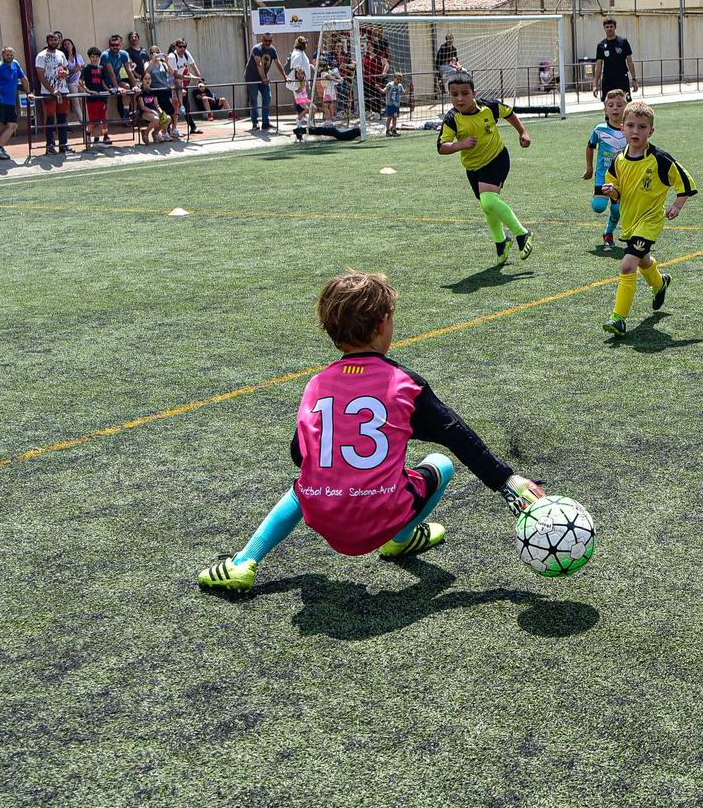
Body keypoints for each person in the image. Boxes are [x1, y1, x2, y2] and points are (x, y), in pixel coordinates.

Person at [195, 271, 548, 595]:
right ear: (383, 323)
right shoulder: (403, 384)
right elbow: (456, 434)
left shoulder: (316, 385)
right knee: (440, 463)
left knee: (306, 482)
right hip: (379, 519)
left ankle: (243, 563)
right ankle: (401, 538)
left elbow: (299, 456)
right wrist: (507, 482)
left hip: (323, 517)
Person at [600, 98, 695, 337]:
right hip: (630, 219)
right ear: (622, 128)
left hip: (651, 220)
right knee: (642, 261)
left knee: (627, 264)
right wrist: (613, 191)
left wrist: (677, 205)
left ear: (651, 131)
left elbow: (684, 182)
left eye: (642, 127)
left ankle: (618, 318)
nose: (635, 131)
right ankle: (659, 282)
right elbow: (617, 188)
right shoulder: (619, 160)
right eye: (630, 125)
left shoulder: (660, 159)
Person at [437, 67, 533, 263]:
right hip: (473, 167)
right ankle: (501, 242)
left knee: (489, 201)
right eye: (454, 95)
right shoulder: (452, 119)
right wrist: (459, 145)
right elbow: (441, 146)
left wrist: (523, 132)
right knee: (487, 207)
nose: (460, 99)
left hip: (497, 158)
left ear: (474, 93)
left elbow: (509, 113)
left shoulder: (490, 107)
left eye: (465, 93)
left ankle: (522, 234)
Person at [583, 87, 629, 248]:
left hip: (622, 178)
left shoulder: (630, 130)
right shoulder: (599, 129)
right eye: (611, 105)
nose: (615, 108)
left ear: (626, 107)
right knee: (598, 207)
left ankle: (608, 233)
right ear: (605, 109)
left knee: (617, 211)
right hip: (603, 176)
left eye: (619, 104)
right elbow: (590, 147)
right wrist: (589, 169)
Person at [0, 46, 27, 159]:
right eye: (7, 54)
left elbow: (24, 79)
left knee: (13, 125)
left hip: (10, 101)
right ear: (3, 55)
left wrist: (28, 93)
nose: (10, 56)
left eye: (11, 54)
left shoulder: (16, 64)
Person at [78, 48, 112, 149]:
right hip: (92, 98)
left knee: (102, 119)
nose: (94, 59)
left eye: (96, 57)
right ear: (89, 57)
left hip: (102, 97)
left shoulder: (101, 68)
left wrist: (109, 90)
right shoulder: (86, 69)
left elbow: (103, 82)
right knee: (94, 120)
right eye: (92, 57)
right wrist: (88, 90)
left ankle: (98, 140)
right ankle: (88, 134)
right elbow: (80, 81)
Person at [592, 18, 634, 101]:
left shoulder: (623, 42)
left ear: (615, 27)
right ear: (604, 28)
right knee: (608, 103)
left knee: (625, 102)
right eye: (607, 27)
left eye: (611, 26)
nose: (609, 29)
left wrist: (634, 79)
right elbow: (598, 66)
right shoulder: (601, 45)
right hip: (608, 79)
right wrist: (595, 84)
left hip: (621, 77)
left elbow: (629, 61)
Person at [168, 40, 205, 134]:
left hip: (179, 83)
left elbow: (194, 67)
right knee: (172, 107)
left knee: (180, 105)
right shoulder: (172, 57)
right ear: (176, 47)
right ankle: (168, 129)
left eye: (184, 46)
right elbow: (175, 75)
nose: (183, 49)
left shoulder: (186, 54)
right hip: (169, 82)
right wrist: (191, 78)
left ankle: (177, 128)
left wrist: (200, 81)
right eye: (180, 47)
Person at [100, 33, 135, 125]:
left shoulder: (124, 54)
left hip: (116, 80)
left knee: (127, 87)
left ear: (120, 45)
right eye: (112, 45)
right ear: (109, 46)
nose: (115, 47)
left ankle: (126, 114)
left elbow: (129, 70)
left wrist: (135, 86)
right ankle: (104, 126)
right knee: (104, 105)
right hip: (103, 82)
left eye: (117, 45)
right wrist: (117, 88)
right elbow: (110, 73)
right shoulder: (105, 55)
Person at [247, 34, 280, 131]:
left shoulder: (272, 50)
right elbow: (259, 64)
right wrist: (264, 78)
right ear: (262, 39)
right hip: (252, 78)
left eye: (270, 41)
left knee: (267, 97)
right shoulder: (256, 49)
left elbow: (278, 63)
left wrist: (285, 76)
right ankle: (255, 123)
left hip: (263, 78)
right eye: (266, 40)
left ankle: (265, 122)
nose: (268, 43)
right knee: (254, 100)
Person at [287, 36, 314, 127]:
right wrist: (302, 82)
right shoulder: (297, 54)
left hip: (303, 82)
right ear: (302, 44)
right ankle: (300, 119)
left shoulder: (300, 52)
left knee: (306, 103)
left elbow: (304, 64)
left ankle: (303, 118)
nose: (306, 45)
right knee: (301, 102)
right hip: (299, 83)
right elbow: (297, 67)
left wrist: (310, 66)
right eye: (305, 43)